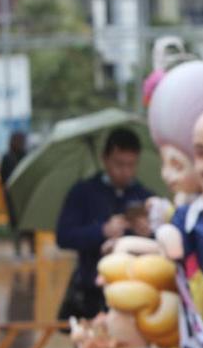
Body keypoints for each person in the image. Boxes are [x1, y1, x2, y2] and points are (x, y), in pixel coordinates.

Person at [55, 128, 155, 320]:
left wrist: (148, 234)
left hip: (136, 292)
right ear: (105, 159)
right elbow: (64, 236)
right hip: (91, 292)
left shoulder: (145, 196)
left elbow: (160, 243)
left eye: (131, 165)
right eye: (119, 164)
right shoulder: (82, 192)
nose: (126, 171)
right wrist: (101, 231)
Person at [0, 131, 34, 258]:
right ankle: (17, 251)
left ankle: (32, 250)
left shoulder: (25, 155)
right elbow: (3, 178)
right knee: (15, 224)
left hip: (25, 195)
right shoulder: (7, 157)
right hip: (12, 197)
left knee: (29, 223)